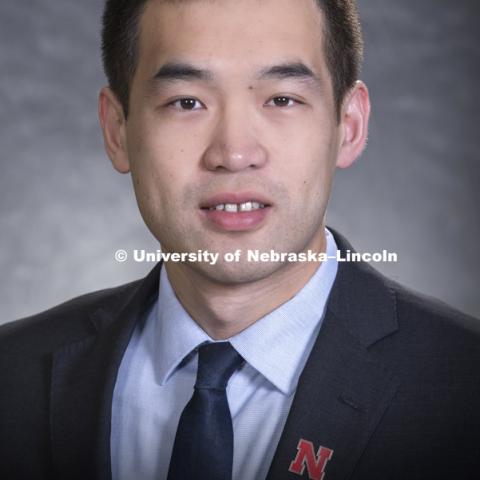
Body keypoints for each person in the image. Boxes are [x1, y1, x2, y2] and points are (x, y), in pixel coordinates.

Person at [1, 0, 479, 479]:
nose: (234, 153)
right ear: (117, 130)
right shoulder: (11, 374)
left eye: (282, 99)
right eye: (186, 102)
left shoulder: (463, 384)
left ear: (349, 125)